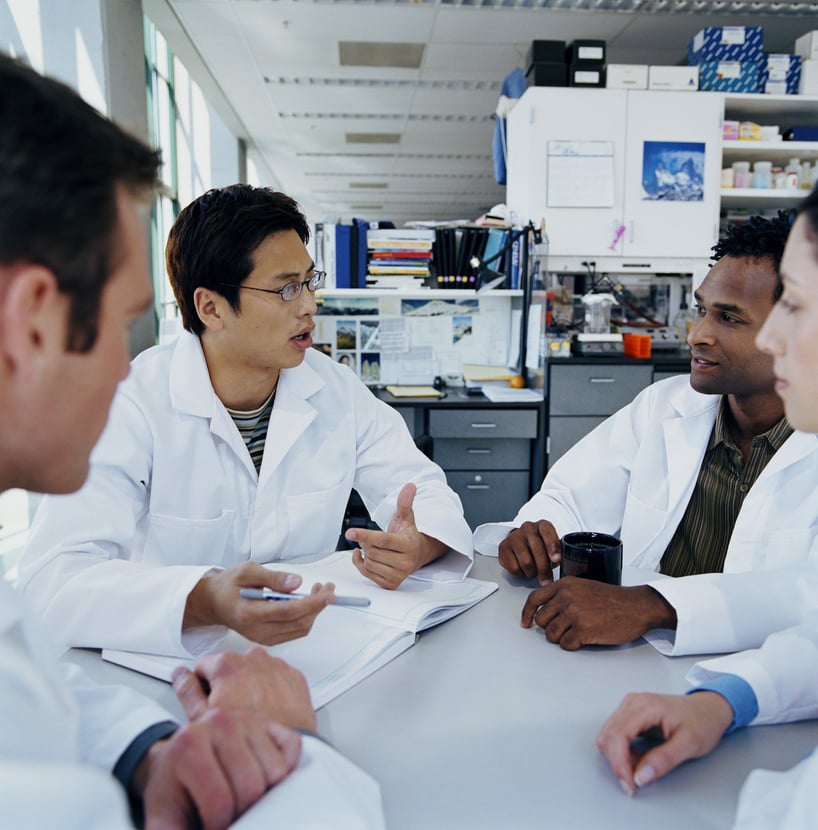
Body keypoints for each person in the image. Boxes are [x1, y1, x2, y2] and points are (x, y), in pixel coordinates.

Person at [0, 53, 383, 828]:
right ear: (31, 318)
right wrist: (286, 742)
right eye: (117, 323)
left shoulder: (331, 387)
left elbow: (29, 694)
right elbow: (54, 590)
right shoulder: (146, 398)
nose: (123, 364)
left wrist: (147, 749)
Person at [17, 183, 472, 659]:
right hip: (169, 668)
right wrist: (202, 599)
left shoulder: (337, 391)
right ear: (210, 308)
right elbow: (53, 581)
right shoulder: (130, 404)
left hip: (310, 654)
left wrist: (417, 545)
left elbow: (421, 489)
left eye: (309, 281)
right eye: (285, 289)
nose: (309, 306)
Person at [474, 213, 818, 655]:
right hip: (636, 662)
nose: (697, 335)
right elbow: (570, 498)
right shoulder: (663, 406)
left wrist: (655, 606)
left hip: (766, 691)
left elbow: (806, 594)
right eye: (700, 310)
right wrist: (535, 536)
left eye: (729, 318)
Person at [597, 184, 818, 829]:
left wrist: (658, 605)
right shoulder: (669, 407)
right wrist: (726, 699)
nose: (774, 336)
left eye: (797, 306)